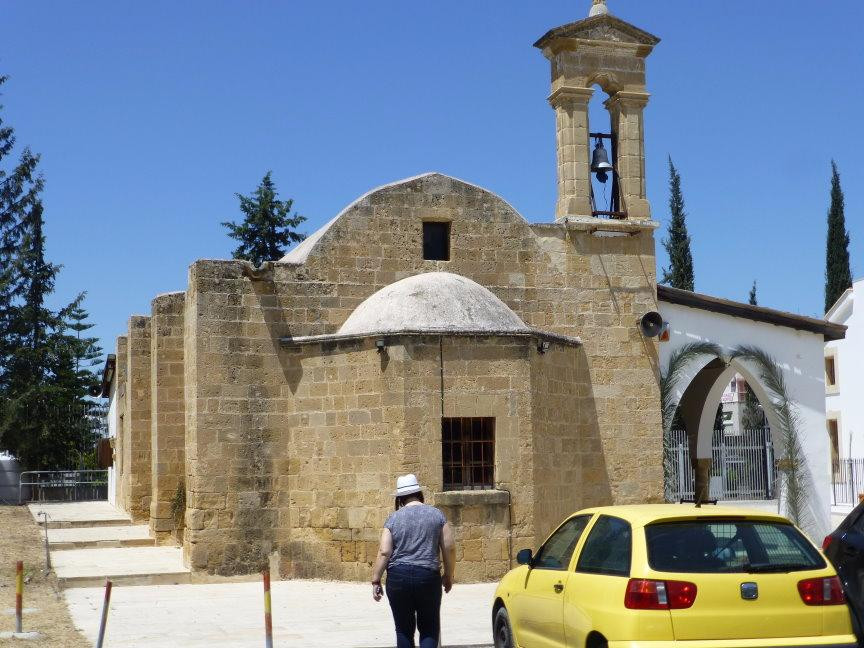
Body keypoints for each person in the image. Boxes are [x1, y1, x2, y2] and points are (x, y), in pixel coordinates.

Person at [371, 474, 456, 648]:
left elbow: (385, 551)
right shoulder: (437, 515)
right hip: (427, 577)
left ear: (400, 498)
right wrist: (448, 575)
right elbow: (449, 547)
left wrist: (375, 579)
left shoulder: (393, 519)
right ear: (419, 493)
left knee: (403, 630)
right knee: (429, 628)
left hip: (398, 578)